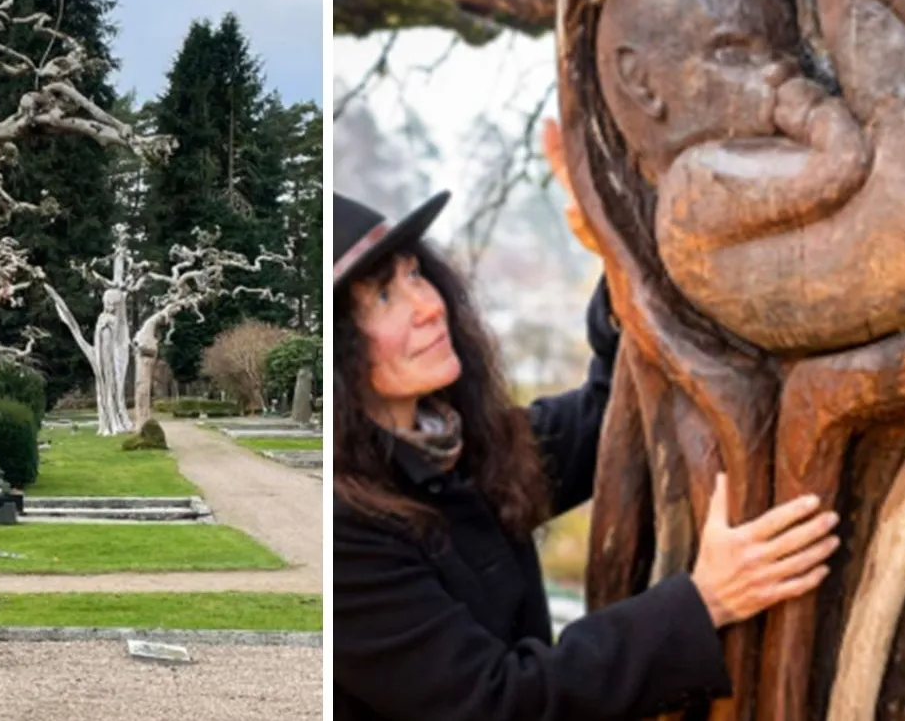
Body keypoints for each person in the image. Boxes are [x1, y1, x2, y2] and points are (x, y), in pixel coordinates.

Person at [332, 184, 841, 721]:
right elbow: (498, 702)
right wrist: (705, 601)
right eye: (384, 297)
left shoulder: (465, 445)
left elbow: (611, 410)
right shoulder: (346, 531)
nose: (429, 306)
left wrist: (620, 253)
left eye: (415, 274)